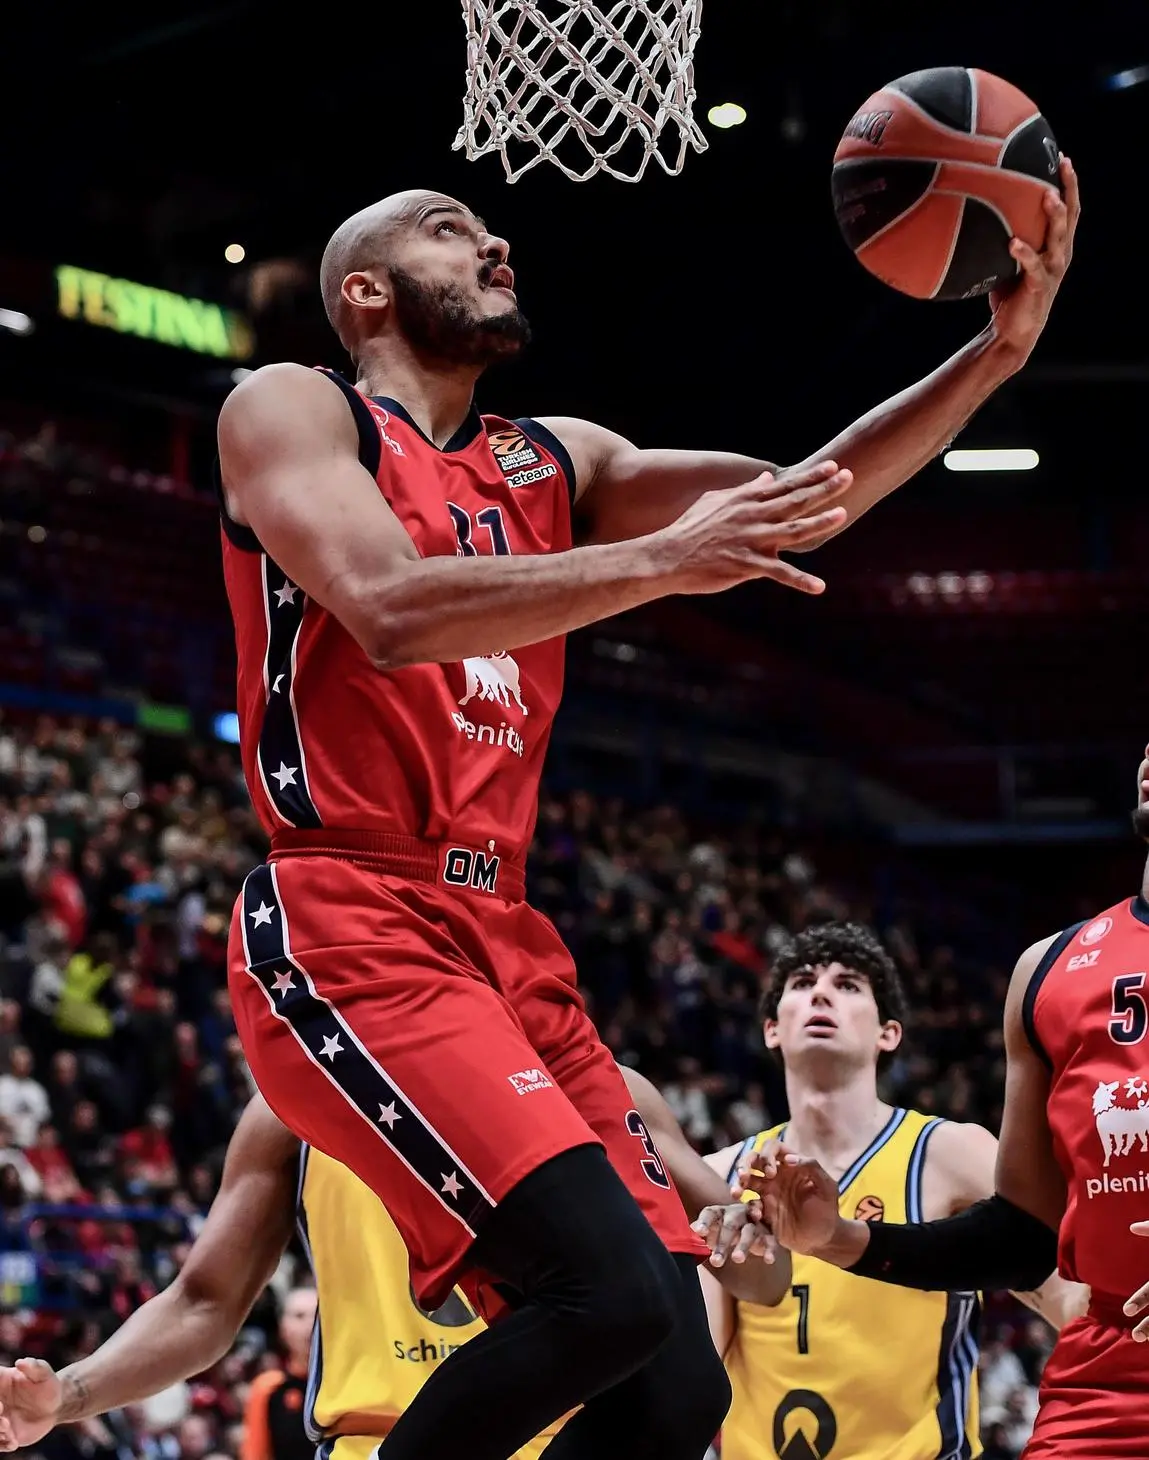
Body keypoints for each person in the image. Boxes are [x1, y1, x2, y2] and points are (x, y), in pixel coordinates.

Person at [215, 169, 1078, 1460]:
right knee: (602, 1298)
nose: (494, 237)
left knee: (673, 1382)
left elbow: (807, 494)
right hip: (352, 908)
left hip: (504, 935)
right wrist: (661, 564)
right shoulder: (292, 406)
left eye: (488, 225)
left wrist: (991, 357)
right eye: (449, 229)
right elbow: (385, 607)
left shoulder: (554, 459)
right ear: (365, 289)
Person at [0, 1069, 776, 1458]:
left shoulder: (600, 1082)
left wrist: (755, 1232)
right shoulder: (294, 1100)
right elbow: (204, 1304)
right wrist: (67, 1395)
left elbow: (759, 1273)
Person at [734, 742, 1149, 1460]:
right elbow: (1024, 1236)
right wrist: (840, 1240)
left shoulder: (942, 1147)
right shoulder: (1050, 968)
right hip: (1103, 1379)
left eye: (846, 987)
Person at [692, 922, 1085, 1460]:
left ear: (888, 1033)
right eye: (803, 983)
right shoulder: (723, 1175)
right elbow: (694, 1368)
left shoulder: (951, 1153)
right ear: (771, 1029)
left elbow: (1068, 1291)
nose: (822, 992)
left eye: (848, 984)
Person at [240, 1286, 317, 1460]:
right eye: (299, 1316)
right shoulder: (268, 1387)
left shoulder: (348, 1383)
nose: (310, 1324)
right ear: (283, 1327)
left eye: (317, 1315)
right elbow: (255, 1454)